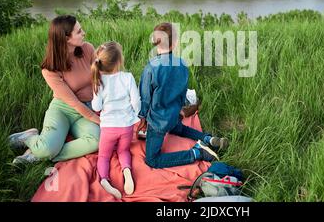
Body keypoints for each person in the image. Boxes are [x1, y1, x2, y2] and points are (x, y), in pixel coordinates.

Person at [8, 15, 100, 164]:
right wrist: (98, 120)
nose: (84, 33)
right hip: (63, 109)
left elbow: (100, 78)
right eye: (79, 31)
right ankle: (30, 139)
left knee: (98, 140)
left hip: (86, 108)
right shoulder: (49, 69)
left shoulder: (87, 49)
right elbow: (74, 103)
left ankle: (40, 155)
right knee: (46, 149)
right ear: (65, 39)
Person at [137, 22, 228, 169]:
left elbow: (145, 99)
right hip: (174, 115)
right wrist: (178, 110)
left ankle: (197, 153)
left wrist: (142, 118)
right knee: (179, 128)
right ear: (175, 43)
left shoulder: (151, 68)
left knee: (152, 160)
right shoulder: (182, 64)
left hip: (158, 122)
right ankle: (207, 138)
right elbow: (182, 92)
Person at [91, 41, 140, 199]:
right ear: (119, 61)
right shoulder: (128, 77)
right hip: (126, 127)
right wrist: (134, 114)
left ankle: (105, 179)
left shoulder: (98, 81)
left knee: (104, 156)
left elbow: (96, 107)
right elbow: (136, 102)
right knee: (123, 151)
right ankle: (127, 170)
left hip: (108, 128)